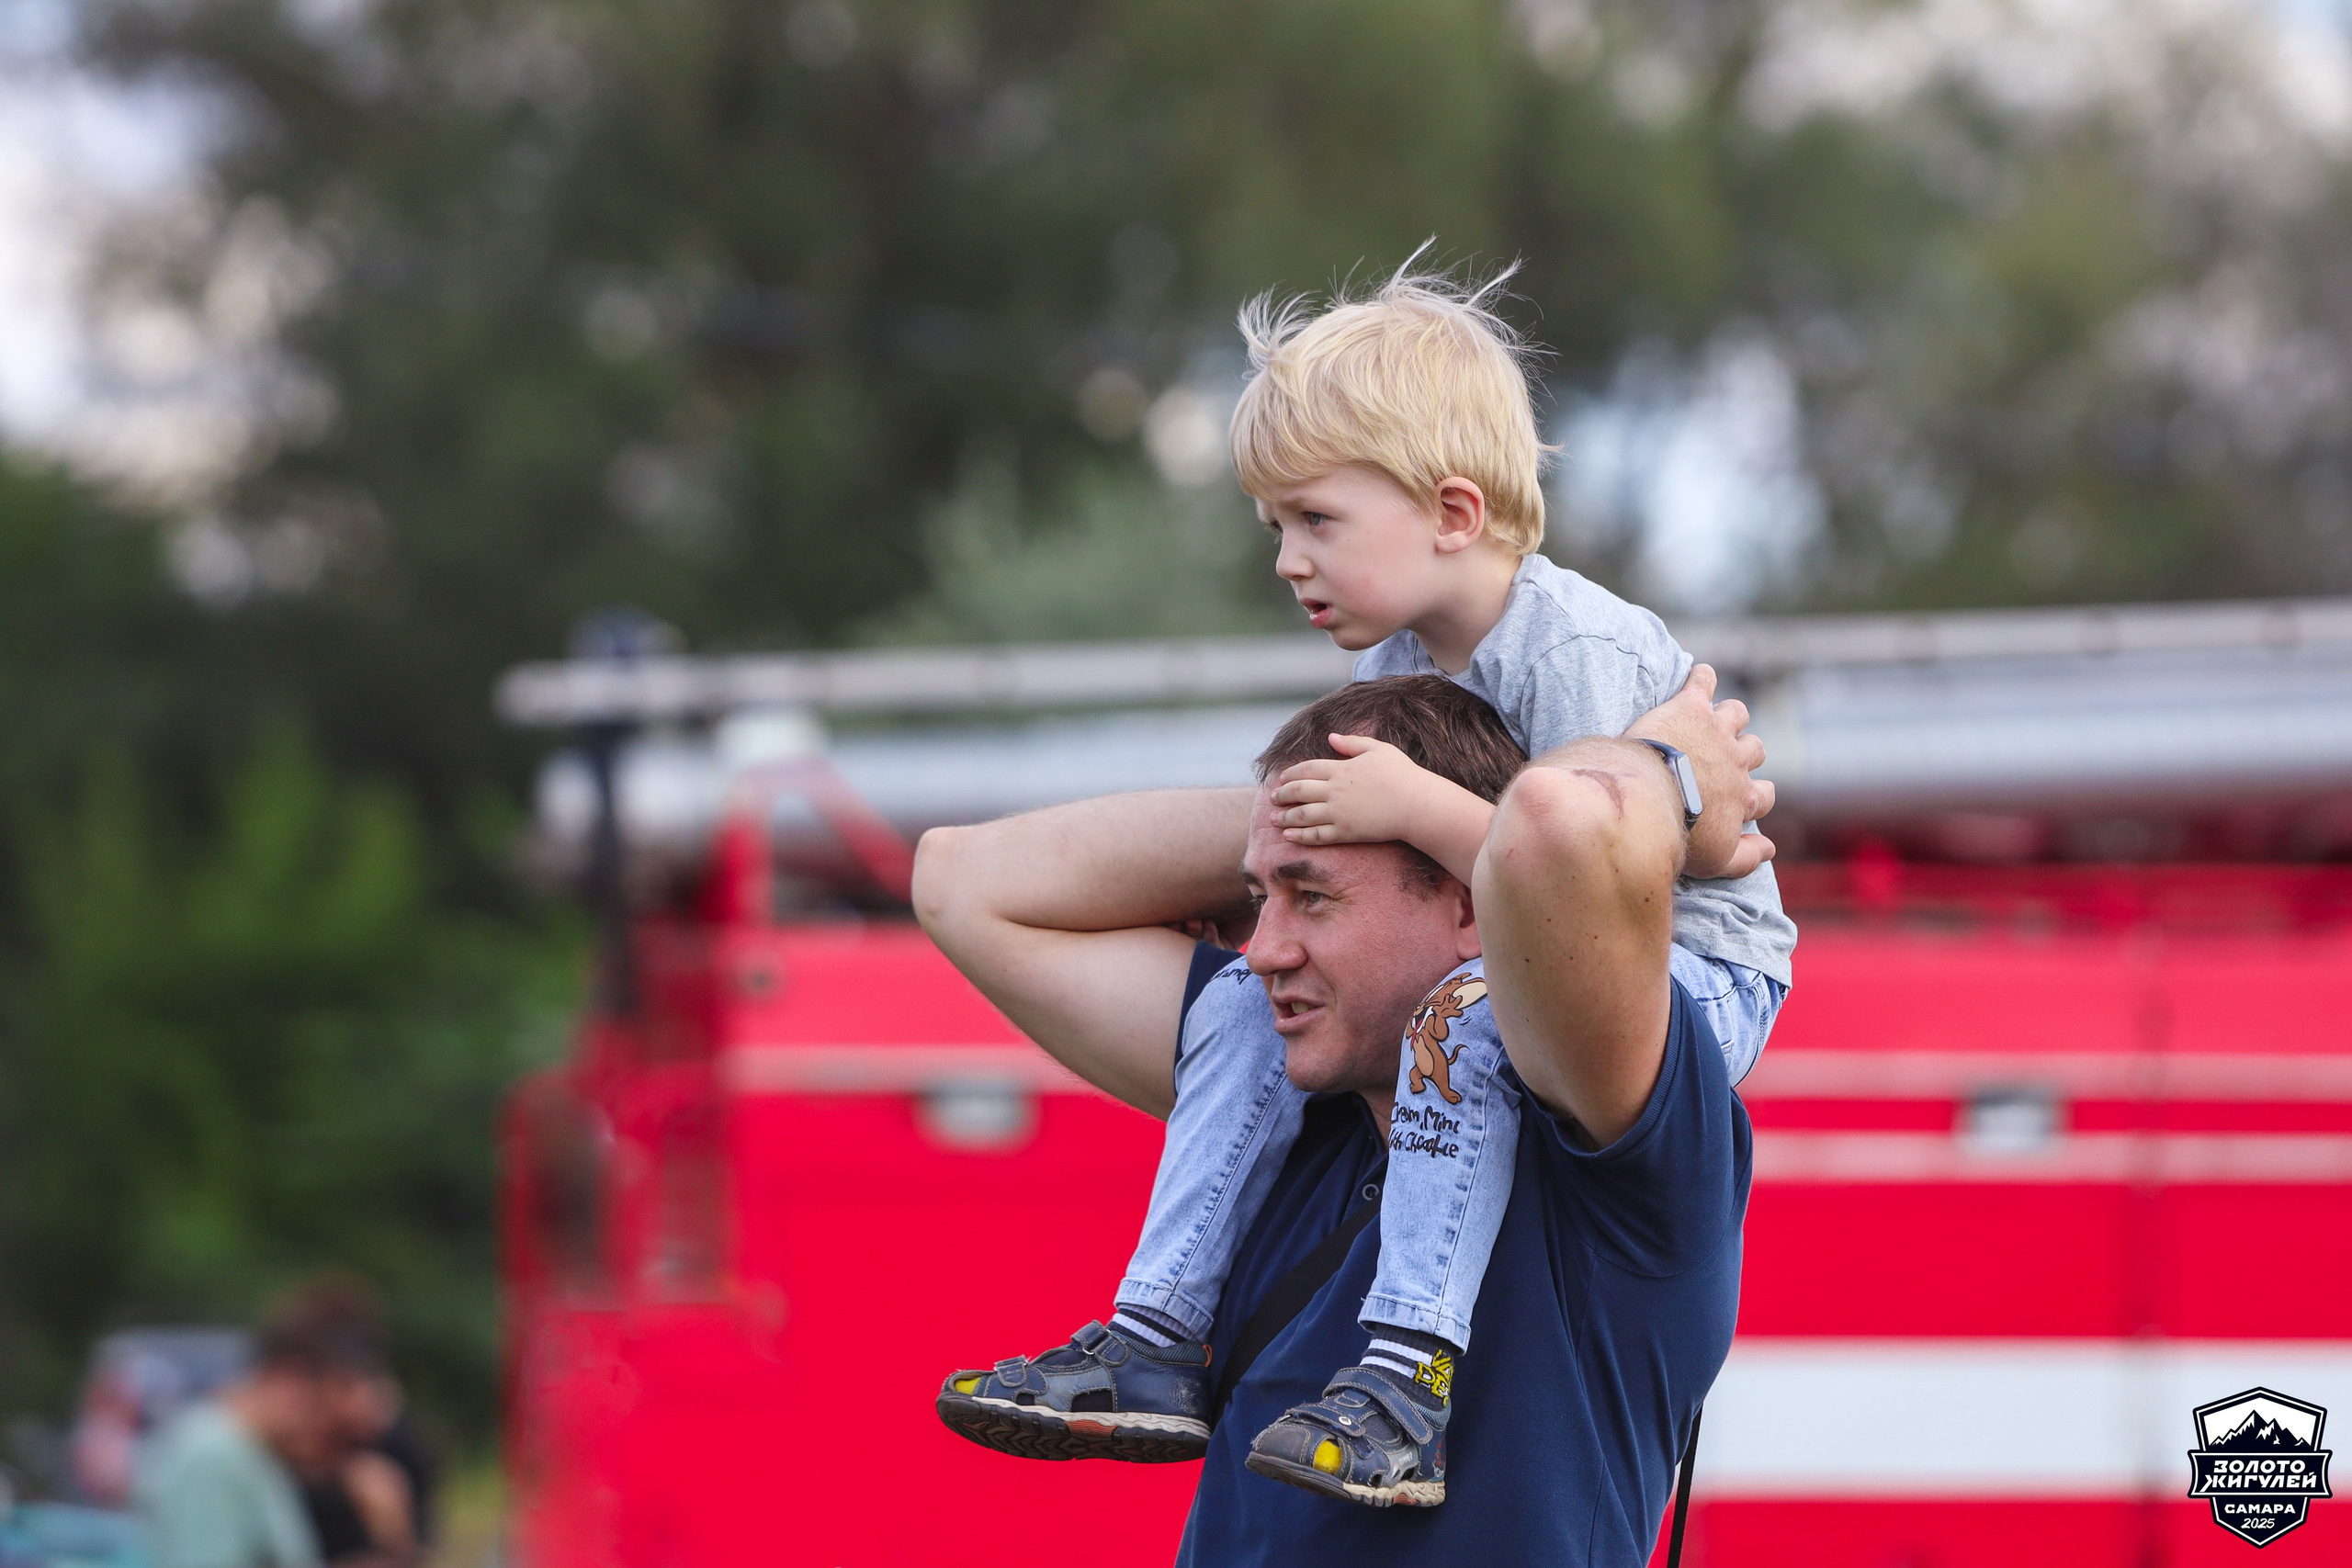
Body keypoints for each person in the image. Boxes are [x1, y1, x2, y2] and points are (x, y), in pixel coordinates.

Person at [931, 263, 1794, 1507]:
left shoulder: (1579, 649)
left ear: (1452, 511)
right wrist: (1309, 839)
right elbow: (960, 879)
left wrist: (1418, 805)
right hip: (1497, 968)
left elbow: (1576, 877)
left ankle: (1404, 1376)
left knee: (1463, 1015)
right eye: (1275, 526)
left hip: (1688, 978)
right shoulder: (1401, 663)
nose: (1287, 559)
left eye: (1316, 520)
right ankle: (1159, 1331)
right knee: (1235, 1000)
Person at [917, 670, 1770, 1559]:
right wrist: (1319, 805)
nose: (1263, 953)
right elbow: (959, 877)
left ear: (1475, 904)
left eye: (1313, 897)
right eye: (1258, 899)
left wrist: (1664, 767)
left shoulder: (1604, 1138)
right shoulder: (1271, 1102)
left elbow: (1559, 825)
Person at [134, 1312, 349, 1568]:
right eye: (319, 1408)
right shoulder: (215, 1457)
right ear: (288, 1382)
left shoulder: (248, 1449)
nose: (323, 1431)